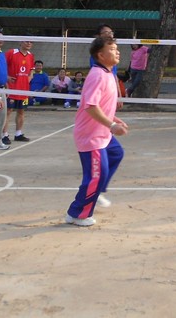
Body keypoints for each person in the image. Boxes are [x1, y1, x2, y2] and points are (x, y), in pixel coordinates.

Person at [64, 36, 129, 227]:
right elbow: (91, 106)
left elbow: (101, 105)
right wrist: (112, 125)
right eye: (112, 49)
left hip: (103, 132)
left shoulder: (107, 73)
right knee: (96, 175)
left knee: (116, 154)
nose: (117, 52)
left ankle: (96, 190)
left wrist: (114, 119)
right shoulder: (97, 75)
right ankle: (78, 214)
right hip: (91, 136)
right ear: (101, 55)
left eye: (117, 48)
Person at [3, 39, 35, 143]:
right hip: (11, 88)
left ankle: (18, 133)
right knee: (8, 111)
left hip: (24, 89)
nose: (29, 43)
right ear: (20, 42)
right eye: (26, 41)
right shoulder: (11, 53)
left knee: (21, 111)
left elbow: (32, 70)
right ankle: (4, 135)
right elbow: (1, 66)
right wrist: (6, 77)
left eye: (31, 42)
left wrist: (30, 76)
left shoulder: (30, 55)